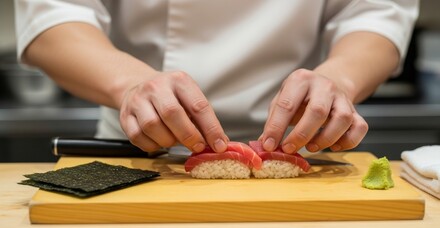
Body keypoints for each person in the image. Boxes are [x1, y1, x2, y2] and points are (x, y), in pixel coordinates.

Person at [14, 0, 419, 154]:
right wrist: (131, 85)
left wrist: (340, 80)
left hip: (299, 146)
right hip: (139, 146)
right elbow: (53, 15)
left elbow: (376, 12)